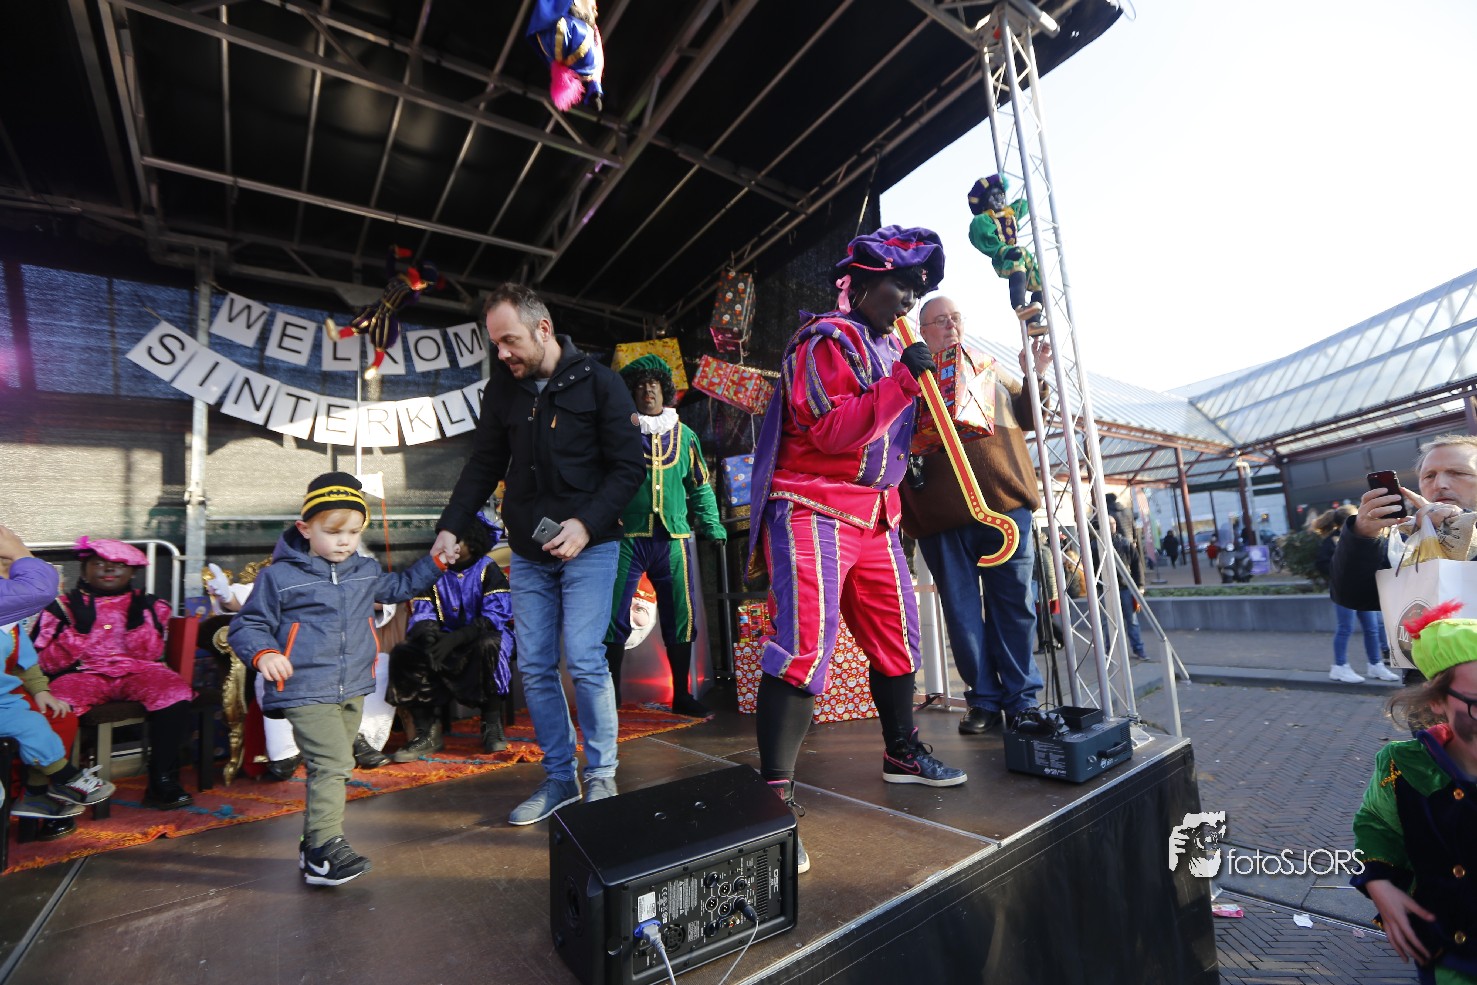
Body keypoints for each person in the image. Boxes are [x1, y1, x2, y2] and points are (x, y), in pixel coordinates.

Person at [748, 226, 968, 875]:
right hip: (813, 505)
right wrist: (903, 382)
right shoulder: (823, 339)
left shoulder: (889, 347)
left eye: (916, 291)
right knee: (804, 645)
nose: (909, 301)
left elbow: (890, 436)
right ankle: (773, 800)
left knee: (898, 637)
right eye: (901, 287)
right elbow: (831, 431)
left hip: (876, 516)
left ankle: (902, 752)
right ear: (865, 283)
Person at [433, 283, 643, 825]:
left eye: (509, 341)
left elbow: (629, 468)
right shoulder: (501, 391)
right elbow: (483, 464)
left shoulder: (601, 382)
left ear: (543, 329)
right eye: (495, 344)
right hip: (528, 551)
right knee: (534, 664)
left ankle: (601, 776)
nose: (502, 353)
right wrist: (451, 526)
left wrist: (585, 524)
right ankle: (560, 780)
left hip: (591, 546)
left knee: (585, 658)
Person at [227, 472, 444, 886]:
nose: (345, 541)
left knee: (334, 766)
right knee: (333, 763)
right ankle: (325, 850)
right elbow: (248, 624)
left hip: (352, 685)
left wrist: (436, 561)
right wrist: (265, 652)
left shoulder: (363, 570)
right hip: (304, 686)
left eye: (354, 532)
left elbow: (401, 586)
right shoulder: (279, 577)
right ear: (305, 528)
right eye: (333, 532)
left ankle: (313, 845)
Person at [900, 294, 1049, 734]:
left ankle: (1022, 700)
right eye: (940, 320)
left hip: (1005, 505)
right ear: (922, 330)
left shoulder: (989, 367)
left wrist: (1035, 375)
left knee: (1016, 605)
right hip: (941, 515)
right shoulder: (906, 375)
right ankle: (983, 699)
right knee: (961, 613)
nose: (951, 326)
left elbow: (1030, 417)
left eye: (956, 318)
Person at [1351, 599, 1477, 982]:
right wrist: (1379, 882)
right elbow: (1376, 827)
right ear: (1437, 701)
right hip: (1449, 957)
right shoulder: (1405, 768)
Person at [603, 353, 726, 716]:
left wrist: (712, 525)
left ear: (665, 391)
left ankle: (682, 696)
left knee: (681, 615)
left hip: (673, 539)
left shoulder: (686, 436)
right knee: (613, 615)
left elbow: (700, 487)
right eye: (641, 386)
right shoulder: (618, 435)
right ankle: (610, 698)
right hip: (628, 537)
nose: (648, 391)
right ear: (632, 393)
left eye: (654, 385)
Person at [33, 537, 196, 810]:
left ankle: (163, 781)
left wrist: (136, 624)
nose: (109, 570)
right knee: (55, 705)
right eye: (99, 564)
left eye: (119, 565)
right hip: (82, 675)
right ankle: (60, 788)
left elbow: (150, 654)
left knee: (175, 692)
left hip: (137, 671)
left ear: (132, 571)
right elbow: (46, 664)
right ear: (84, 569)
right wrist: (78, 632)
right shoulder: (61, 607)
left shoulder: (150, 605)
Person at [1, 525, 113, 837]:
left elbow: (25, 658)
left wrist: (40, 690)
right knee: (32, 725)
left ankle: (38, 793)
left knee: (53, 717)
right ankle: (62, 779)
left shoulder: (11, 619)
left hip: (9, 695)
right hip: (9, 696)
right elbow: (38, 592)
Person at [388, 513, 516, 758]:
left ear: (473, 541)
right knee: (405, 653)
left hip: (483, 635)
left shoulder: (487, 569)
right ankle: (427, 732)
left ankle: (491, 725)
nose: (450, 545)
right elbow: (423, 612)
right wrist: (430, 638)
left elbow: (495, 616)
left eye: (459, 539)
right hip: (442, 636)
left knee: (490, 645)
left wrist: (457, 639)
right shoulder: (433, 570)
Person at [1333, 435, 1477, 615]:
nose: (1439, 484)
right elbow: (1355, 597)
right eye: (1429, 476)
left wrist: (1461, 524)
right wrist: (1362, 536)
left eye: (1458, 473)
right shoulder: (1406, 542)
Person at [1315, 506, 1400, 683]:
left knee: (1372, 628)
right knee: (1345, 628)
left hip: (1364, 588)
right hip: (1345, 590)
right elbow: (1322, 564)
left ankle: (1375, 665)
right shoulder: (1332, 541)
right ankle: (1339, 666)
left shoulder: (1365, 538)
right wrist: (1341, 573)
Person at [967, 175, 1047, 337]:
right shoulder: (983, 220)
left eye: (1001, 195)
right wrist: (1003, 251)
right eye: (993, 196)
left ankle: (1033, 323)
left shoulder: (1009, 213)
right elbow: (983, 240)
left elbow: (1024, 204)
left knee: (1040, 279)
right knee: (1017, 262)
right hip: (1003, 259)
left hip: (1019, 253)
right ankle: (1019, 307)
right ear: (985, 201)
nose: (999, 199)